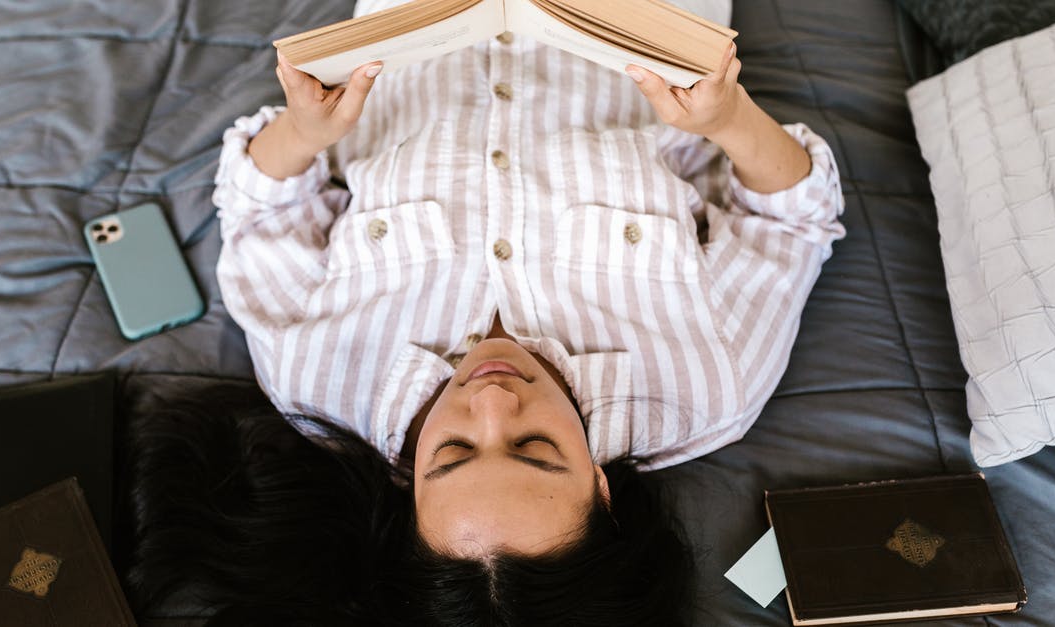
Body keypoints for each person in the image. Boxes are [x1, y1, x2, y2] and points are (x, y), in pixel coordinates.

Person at [203, 0, 844, 622]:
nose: (491, 400)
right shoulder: (709, 385)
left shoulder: (316, 377)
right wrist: (729, 117)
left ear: (409, 495)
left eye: (451, 452)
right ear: (600, 490)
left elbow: (261, 210)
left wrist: (302, 134)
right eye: (535, 445)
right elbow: (790, 222)